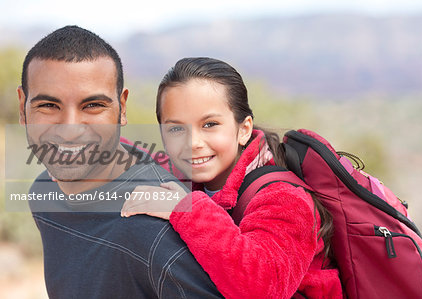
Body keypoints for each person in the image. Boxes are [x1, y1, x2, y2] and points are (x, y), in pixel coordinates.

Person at [18, 26, 223, 298]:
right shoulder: (43, 191)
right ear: (22, 107)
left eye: (92, 106)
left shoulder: (156, 229)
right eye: (48, 106)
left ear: (122, 108)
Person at [121, 57, 343, 298]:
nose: (192, 143)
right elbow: (142, 158)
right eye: (176, 129)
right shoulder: (191, 175)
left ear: (243, 129)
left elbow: (263, 287)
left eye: (210, 124)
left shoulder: (285, 199)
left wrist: (186, 208)